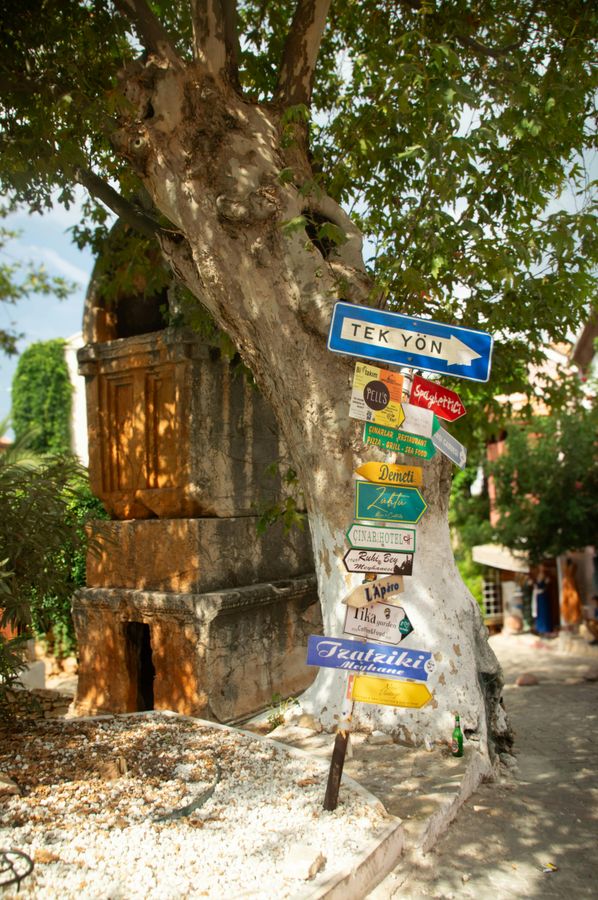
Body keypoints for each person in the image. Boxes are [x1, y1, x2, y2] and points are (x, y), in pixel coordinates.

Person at [561, 557, 582, 632]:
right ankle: (570, 623)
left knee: (574, 604)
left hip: (571, 586)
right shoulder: (566, 570)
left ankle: (574, 622)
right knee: (567, 606)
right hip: (567, 587)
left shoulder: (572, 568)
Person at [533, 565, 553, 635]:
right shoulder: (537, 576)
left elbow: (546, 586)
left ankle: (546, 628)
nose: (542, 568)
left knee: (545, 611)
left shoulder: (546, 577)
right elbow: (536, 586)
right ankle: (540, 628)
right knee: (540, 611)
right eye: (541, 567)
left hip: (544, 596)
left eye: (543, 567)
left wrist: (543, 588)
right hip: (539, 597)